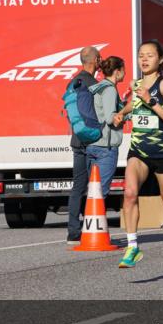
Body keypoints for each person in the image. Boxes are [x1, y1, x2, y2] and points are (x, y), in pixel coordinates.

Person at [111, 40, 163, 268]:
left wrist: (151, 101)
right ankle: (132, 246)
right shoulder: (136, 84)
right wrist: (121, 114)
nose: (144, 59)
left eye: (149, 55)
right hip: (139, 151)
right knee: (129, 194)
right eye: (140, 55)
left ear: (160, 59)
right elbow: (132, 105)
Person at [66, 46, 102, 242]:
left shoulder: (73, 82)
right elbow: (95, 113)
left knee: (78, 185)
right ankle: (91, 227)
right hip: (92, 141)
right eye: (99, 58)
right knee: (95, 186)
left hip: (77, 140)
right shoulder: (92, 84)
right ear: (95, 60)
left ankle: (73, 231)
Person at [88, 56, 125, 195]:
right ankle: (94, 217)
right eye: (123, 70)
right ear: (117, 71)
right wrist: (126, 113)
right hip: (105, 147)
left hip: (93, 144)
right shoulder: (109, 89)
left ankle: (89, 217)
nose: (125, 73)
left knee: (93, 191)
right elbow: (110, 118)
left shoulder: (98, 87)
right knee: (99, 192)